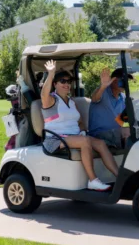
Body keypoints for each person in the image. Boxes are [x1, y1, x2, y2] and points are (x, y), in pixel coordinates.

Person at [41, 60, 119, 191]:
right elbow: (44, 93)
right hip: (55, 139)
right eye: (63, 81)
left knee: (100, 143)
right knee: (85, 141)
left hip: (73, 137)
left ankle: (119, 177)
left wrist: (82, 131)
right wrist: (51, 73)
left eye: (68, 81)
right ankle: (93, 180)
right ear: (55, 84)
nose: (67, 84)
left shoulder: (71, 102)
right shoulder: (51, 100)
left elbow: (80, 122)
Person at [88, 68, 132, 149]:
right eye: (123, 81)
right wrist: (103, 86)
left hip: (116, 134)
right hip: (100, 135)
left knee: (137, 130)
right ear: (114, 80)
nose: (126, 84)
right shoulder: (103, 91)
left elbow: (123, 121)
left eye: (127, 82)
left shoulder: (123, 98)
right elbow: (94, 98)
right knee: (128, 131)